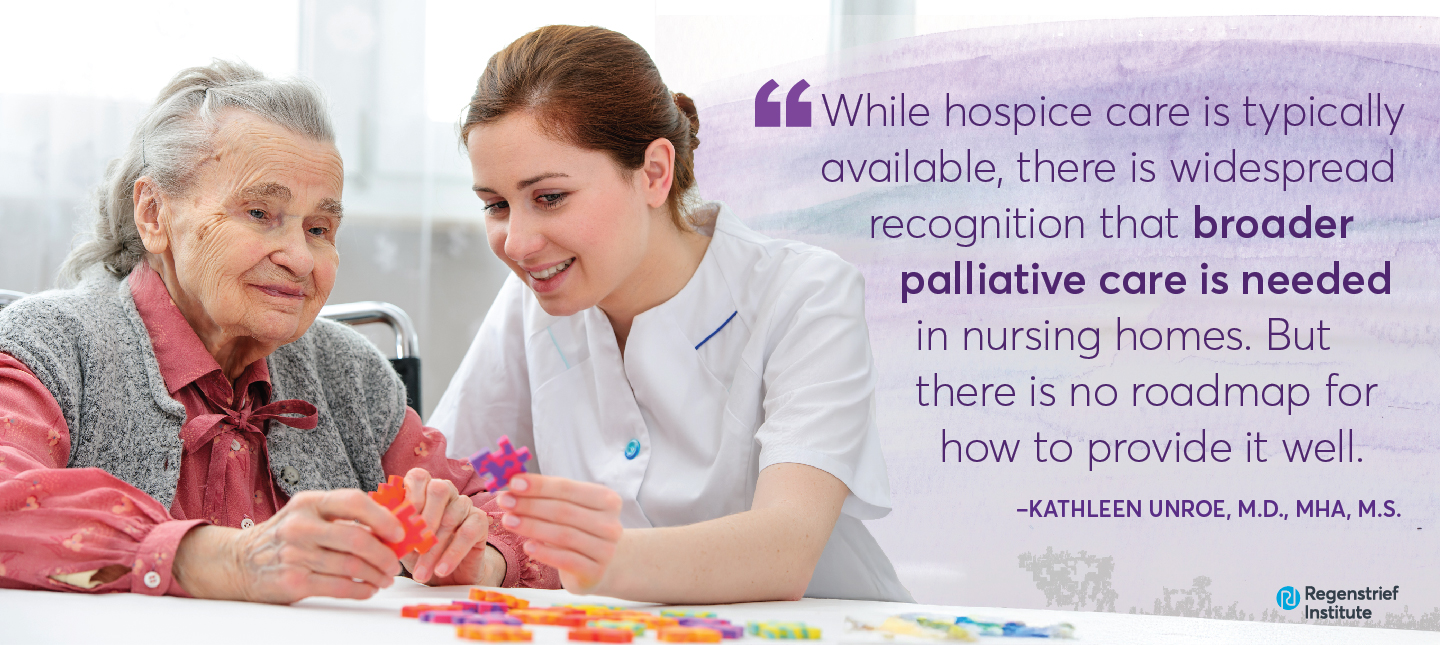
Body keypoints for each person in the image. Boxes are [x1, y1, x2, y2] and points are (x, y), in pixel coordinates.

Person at [0, 61, 555, 601]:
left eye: (319, 228)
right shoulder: (48, 346)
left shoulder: (351, 376)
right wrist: (227, 560)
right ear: (153, 214)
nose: (298, 257)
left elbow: (520, 522)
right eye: (260, 213)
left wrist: (476, 554)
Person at [430, 25, 912, 603]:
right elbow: (460, 479)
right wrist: (450, 539)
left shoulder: (804, 293)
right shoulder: (531, 302)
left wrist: (583, 559)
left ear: (654, 172)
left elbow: (783, 549)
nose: (518, 242)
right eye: (496, 206)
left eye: (550, 197)